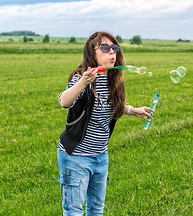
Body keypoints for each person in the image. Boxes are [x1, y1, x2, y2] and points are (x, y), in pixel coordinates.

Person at [57, 31, 150, 215]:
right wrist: (83, 82)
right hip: (76, 157)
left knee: (96, 209)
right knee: (74, 211)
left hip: (100, 156)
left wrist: (132, 110)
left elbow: (111, 106)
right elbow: (64, 101)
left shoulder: (111, 79)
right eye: (105, 48)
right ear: (92, 53)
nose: (112, 53)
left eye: (114, 48)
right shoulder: (81, 77)